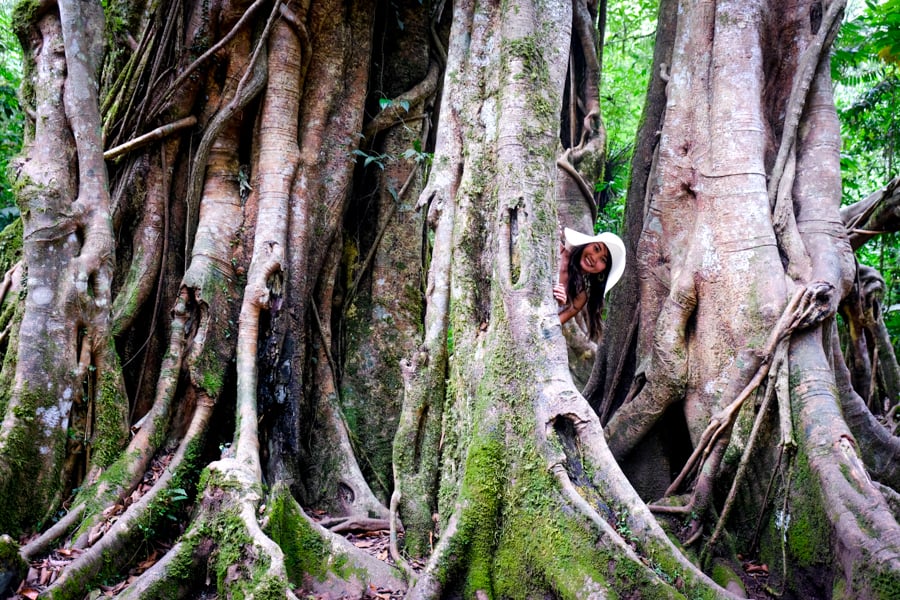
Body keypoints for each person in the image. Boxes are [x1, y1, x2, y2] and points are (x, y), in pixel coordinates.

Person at [553, 227, 626, 339]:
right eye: (596, 249)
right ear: (587, 244)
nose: (594, 258)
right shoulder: (556, 249)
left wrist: (556, 303)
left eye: (603, 260)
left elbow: (550, 326)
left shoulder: (580, 297)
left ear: (603, 271)